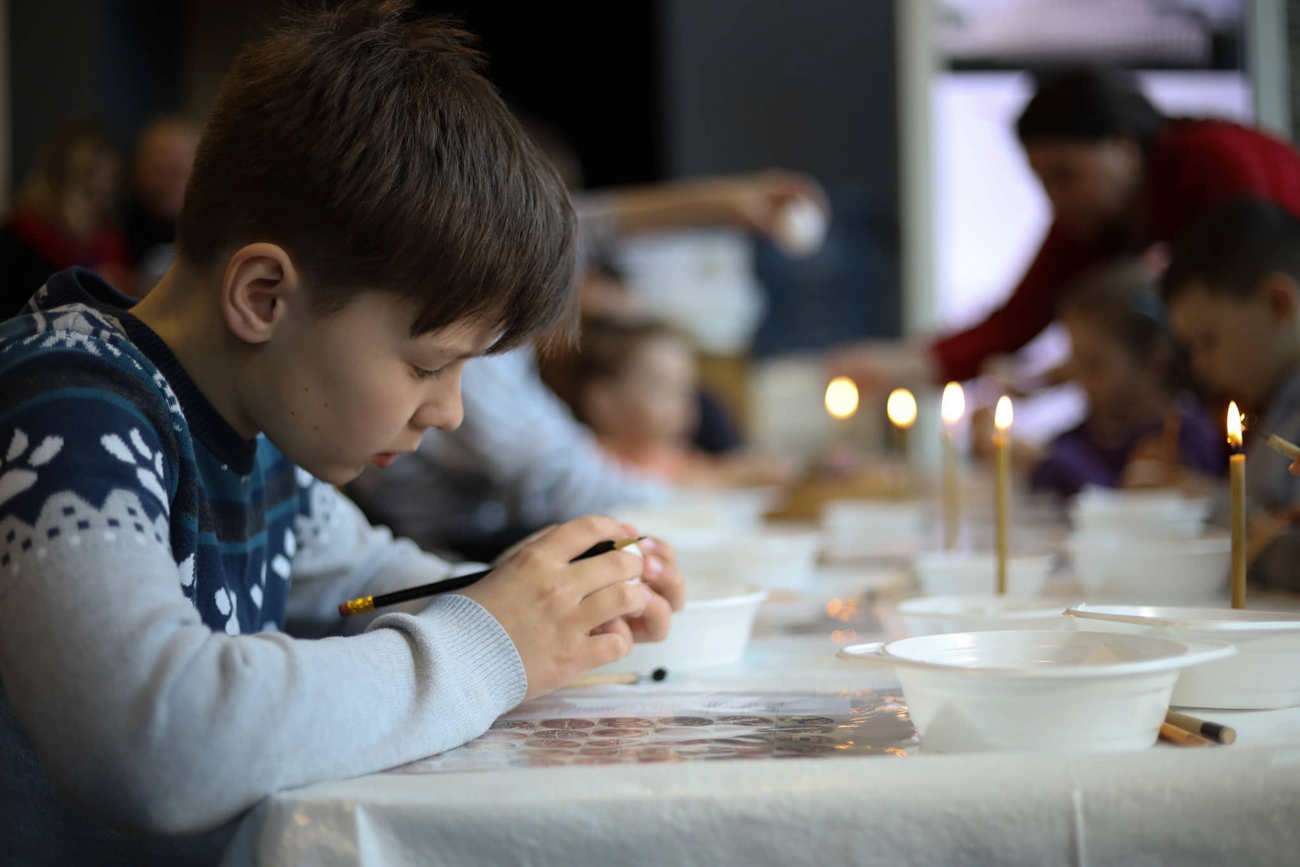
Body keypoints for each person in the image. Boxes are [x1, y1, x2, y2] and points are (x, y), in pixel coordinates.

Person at [0, 5, 683, 863]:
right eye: (429, 363)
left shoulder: (253, 434)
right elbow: (152, 734)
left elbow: (368, 585)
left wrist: (558, 602)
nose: (451, 411)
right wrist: (493, 644)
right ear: (264, 298)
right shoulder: (64, 404)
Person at [346, 170, 826, 560]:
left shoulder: (496, 291)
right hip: (445, 545)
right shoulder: (476, 349)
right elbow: (562, 478)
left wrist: (723, 204)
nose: (614, 294)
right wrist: (723, 481)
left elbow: (583, 224)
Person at [830, 66, 1300, 393]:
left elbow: (1254, 314)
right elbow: (1017, 319)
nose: (1055, 197)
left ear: (1122, 145)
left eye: (1066, 173)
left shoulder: (1217, 164)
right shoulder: (1098, 216)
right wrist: (902, 364)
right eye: (1041, 180)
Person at [1162, 197, 1300, 590]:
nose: (1201, 367)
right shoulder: (1279, 405)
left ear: (1279, 303)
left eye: (1208, 341)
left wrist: (1210, 506)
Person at [1025, 260, 1222, 498]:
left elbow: (1115, 500)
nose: (1080, 379)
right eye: (1074, 360)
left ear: (1153, 361)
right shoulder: (1095, 430)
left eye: (1094, 364)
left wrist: (1042, 460)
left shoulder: (1186, 439)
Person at [543, 316, 789, 486]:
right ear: (603, 401)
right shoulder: (592, 460)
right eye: (661, 388)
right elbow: (650, 485)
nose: (681, 403)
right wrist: (730, 476)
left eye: (685, 389)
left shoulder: (679, 455)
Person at [0, 120, 131, 316]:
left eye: (109, 186)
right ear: (58, 183)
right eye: (88, 190)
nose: (100, 201)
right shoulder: (19, 240)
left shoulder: (110, 241)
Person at [123, 117, 201, 292]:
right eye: (157, 170)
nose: (164, 184)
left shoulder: (215, 239)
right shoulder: (113, 230)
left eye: (176, 172)